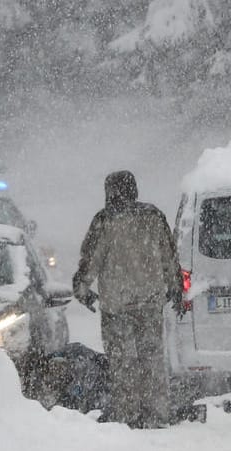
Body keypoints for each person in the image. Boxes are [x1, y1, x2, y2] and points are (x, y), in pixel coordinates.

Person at [73, 170, 181, 427]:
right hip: (150, 299)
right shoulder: (153, 216)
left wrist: (82, 289)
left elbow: (91, 259)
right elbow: (169, 256)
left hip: (117, 304)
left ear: (110, 191)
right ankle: (156, 413)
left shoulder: (105, 220)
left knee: (122, 363)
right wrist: (175, 287)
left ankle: (126, 414)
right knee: (152, 358)